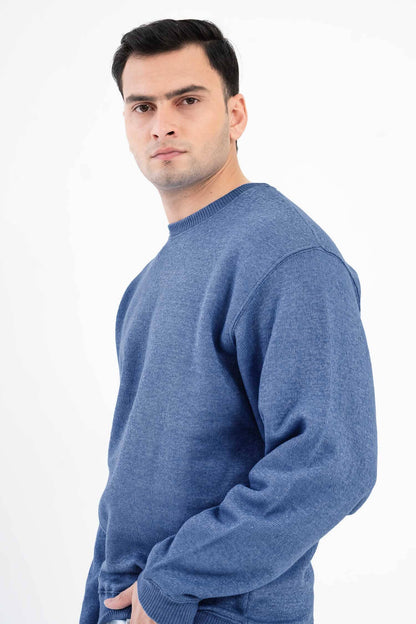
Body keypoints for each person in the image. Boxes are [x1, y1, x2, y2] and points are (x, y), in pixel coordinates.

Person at [79, 18, 378, 624]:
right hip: (133, 604)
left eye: (187, 100)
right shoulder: (147, 283)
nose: (162, 124)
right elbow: (130, 486)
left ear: (236, 114)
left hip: (213, 610)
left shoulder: (288, 257)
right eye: (142, 107)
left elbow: (332, 462)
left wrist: (172, 583)